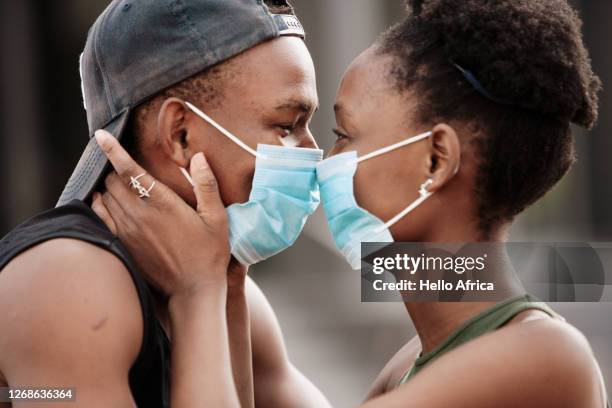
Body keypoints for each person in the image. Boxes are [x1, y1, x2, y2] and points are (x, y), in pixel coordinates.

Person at [92, 0, 609, 407]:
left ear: (435, 162)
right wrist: (226, 278)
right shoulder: (412, 363)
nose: (320, 161)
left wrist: (196, 292)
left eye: (343, 134)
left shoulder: (541, 356)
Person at [0, 1, 330, 407]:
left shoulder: (226, 283)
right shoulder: (66, 280)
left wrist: (220, 289)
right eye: (286, 126)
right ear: (180, 135)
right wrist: (197, 296)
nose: (315, 151)